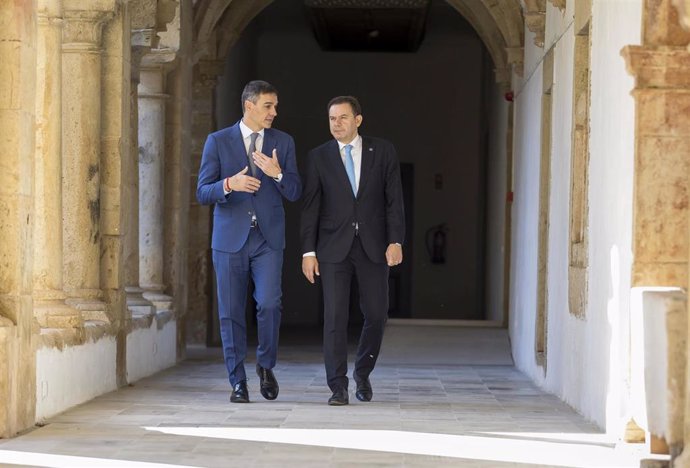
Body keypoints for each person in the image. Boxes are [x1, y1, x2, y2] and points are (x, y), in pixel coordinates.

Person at [196, 80, 301, 403]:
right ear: (249, 106)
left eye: (275, 106)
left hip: (268, 238)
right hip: (229, 239)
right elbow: (202, 192)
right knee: (230, 312)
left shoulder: (283, 142)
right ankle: (237, 381)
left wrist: (278, 173)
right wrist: (230, 183)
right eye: (268, 106)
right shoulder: (217, 141)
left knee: (269, 303)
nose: (274, 112)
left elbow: (296, 191)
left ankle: (266, 366)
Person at [300, 95, 405, 406]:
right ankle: (337, 386)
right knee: (334, 316)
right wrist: (308, 251)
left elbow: (393, 200)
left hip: (374, 246)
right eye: (332, 118)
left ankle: (362, 372)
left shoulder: (383, 151)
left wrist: (395, 240)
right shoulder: (319, 157)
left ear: (358, 120)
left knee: (376, 313)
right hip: (332, 248)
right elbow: (310, 208)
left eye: (343, 117)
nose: (337, 124)